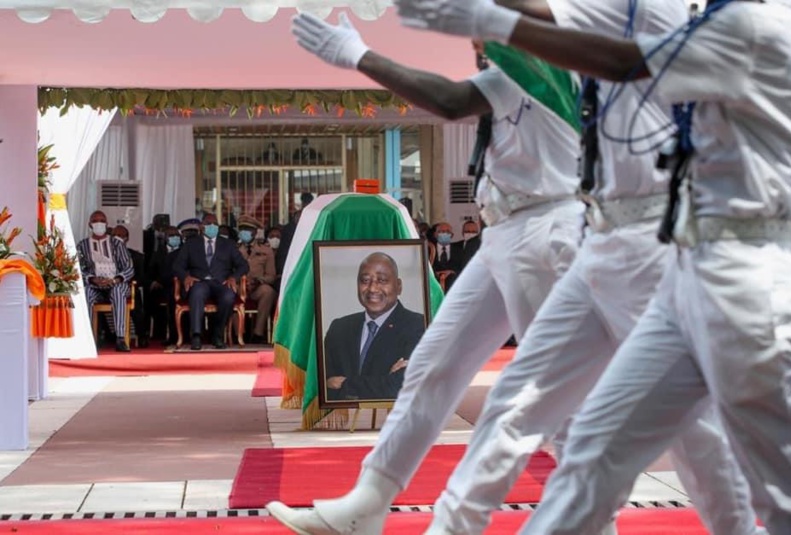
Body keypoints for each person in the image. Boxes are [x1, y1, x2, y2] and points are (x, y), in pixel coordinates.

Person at [397, 0, 791, 533]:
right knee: (592, 454)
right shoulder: (715, 23)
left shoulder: (754, 26)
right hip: (687, 266)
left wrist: (497, 22)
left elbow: (624, 61)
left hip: (749, 275)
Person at [267, 10, 588, 534]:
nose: (477, 40)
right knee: (431, 364)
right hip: (507, 229)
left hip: (549, 229)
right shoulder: (516, 68)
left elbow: (450, 99)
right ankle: (368, 503)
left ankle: (586, 519)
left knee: (549, 391)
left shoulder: (544, 62)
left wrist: (357, 55)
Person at [323, 252, 426, 401]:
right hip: (350, 421)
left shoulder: (418, 325)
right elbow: (323, 384)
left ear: (398, 286)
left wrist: (344, 383)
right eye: (365, 280)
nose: (372, 288)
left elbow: (400, 386)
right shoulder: (339, 327)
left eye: (382, 280)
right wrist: (383, 378)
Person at [173, 213, 249, 350]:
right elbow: (177, 266)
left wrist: (234, 277)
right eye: (209, 223)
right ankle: (196, 335)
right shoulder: (191, 243)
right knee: (197, 293)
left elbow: (243, 266)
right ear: (202, 226)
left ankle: (218, 334)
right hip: (199, 281)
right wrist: (186, 277)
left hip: (221, 282)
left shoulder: (228, 244)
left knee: (229, 296)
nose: (212, 226)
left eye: (215, 224)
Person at [77, 210, 134, 353]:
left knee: (118, 292)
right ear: (90, 224)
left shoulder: (116, 244)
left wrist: (115, 279)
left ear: (107, 224)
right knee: (86, 293)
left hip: (116, 284)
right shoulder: (83, 245)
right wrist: (92, 279)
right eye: (95, 220)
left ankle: (120, 338)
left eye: (102, 220)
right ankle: (88, 338)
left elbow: (129, 268)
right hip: (95, 286)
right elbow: (77, 269)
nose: (99, 223)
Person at [236, 215, 277, 344]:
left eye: (248, 229)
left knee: (268, 291)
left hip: (256, 287)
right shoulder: (232, 248)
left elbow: (271, 276)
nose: (244, 232)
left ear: (254, 232)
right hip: (238, 286)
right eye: (242, 229)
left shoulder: (266, 250)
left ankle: (258, 333)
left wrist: (259, 281)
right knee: (227, 291)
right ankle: (238, 333)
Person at [111, 225, 148, 348]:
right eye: (115, 235)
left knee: (136, 303)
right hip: (108, 289)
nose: (118, 238)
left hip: (128, 288)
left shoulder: (137, 256)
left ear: (127, 239)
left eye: (121, 236)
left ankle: (142, 335)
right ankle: (107, 335)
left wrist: (127, 281)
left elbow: (141, 278)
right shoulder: (106, 255)